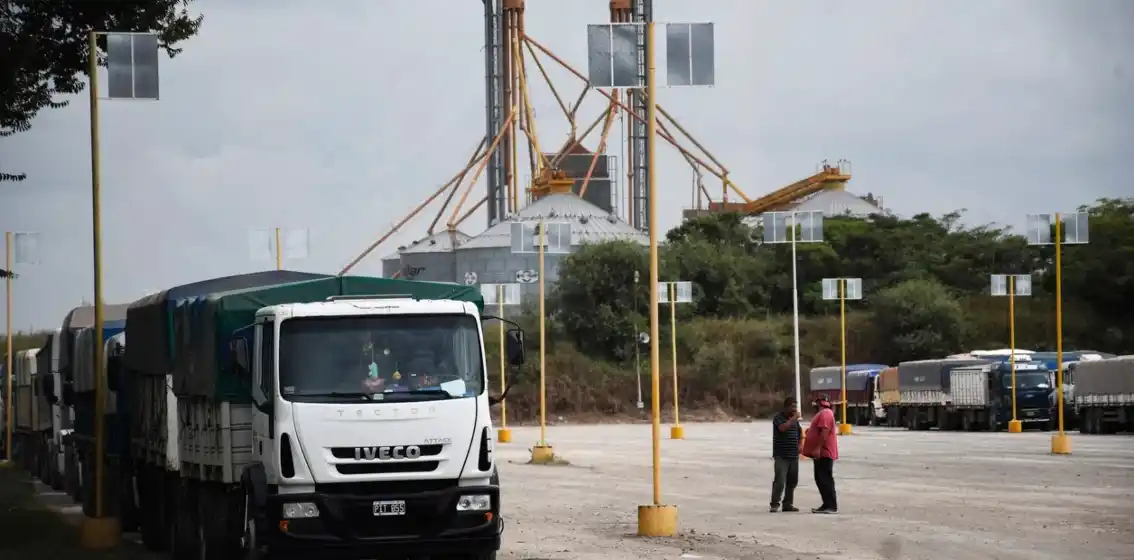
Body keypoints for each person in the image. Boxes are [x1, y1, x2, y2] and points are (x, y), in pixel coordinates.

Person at [803, 395, 839, 514]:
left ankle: (831, 506)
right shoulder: (824, 413)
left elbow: (825, 431)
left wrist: (818, 448)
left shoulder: (825, 413)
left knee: (825, 478)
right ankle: (826, 504)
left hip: (824, 452)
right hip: (821, 452)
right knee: (820, 478)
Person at [770, 396, 802, 512]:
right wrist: (794, 418)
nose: (794, 409)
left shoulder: (794, 420)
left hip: (793, 455)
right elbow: (782, 428)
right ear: (786, 407)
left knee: (792, 481)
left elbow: (799, 432)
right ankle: (775, 504)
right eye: (792, 406)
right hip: (781, 455)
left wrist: (800, 444)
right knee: (780, 481)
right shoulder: (779, 418)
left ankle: (788, 504)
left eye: (795, 406)